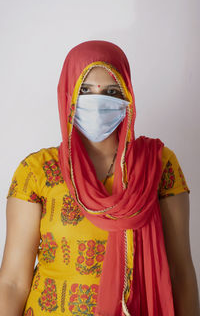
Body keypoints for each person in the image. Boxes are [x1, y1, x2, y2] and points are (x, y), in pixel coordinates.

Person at [0, 40, 199, 316]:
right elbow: (12, 282)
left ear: (127, 95)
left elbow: (181, 275)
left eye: (111, 91)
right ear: (67, 93)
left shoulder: (157, 164)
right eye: (85, 90)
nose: (97, 100)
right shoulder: (37, 171)